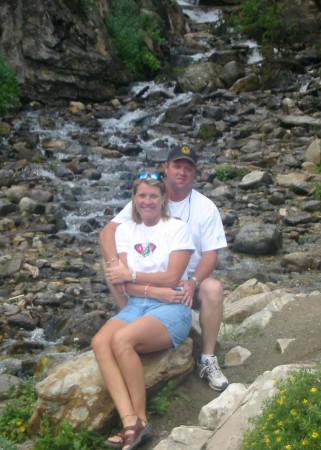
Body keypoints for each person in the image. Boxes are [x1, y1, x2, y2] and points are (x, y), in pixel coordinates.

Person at [100, 144, 229, 393]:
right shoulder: (150, 198)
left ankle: (207, 358)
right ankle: (135, 322)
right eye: (177, 166)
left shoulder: (205, 207)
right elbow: (108, 232)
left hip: (185, 284)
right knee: (111, 268)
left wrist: (194, 281)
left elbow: (211, 255)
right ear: (166, 168)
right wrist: (116, 266)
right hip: (148, 283)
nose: (182, 172)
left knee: (213, 288)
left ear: (195, 173)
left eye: (188, 168)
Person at [92, 172, 195, 450]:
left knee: (122, 340)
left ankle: (141, 420)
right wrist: (152, 288)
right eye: (142, 196)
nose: (147, 201)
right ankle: (129, 422)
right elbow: (123, 283)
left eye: (153, 195)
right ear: (134, 200)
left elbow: (173, 279)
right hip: (138, 305)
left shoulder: (177, 227)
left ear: (163, 199)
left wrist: (138, 278)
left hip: (173, 308)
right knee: (100, 341)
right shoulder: (126, 230)